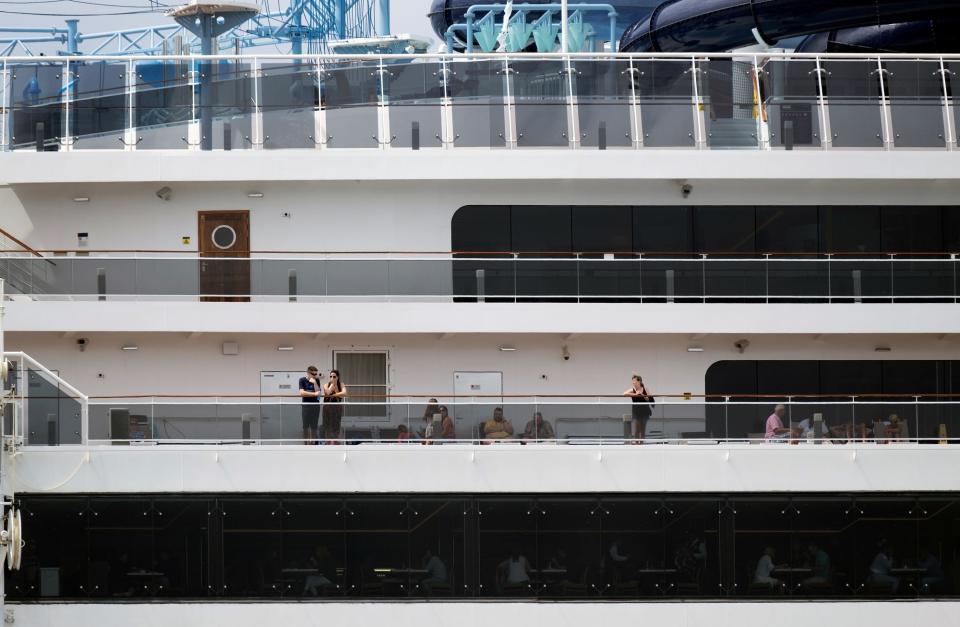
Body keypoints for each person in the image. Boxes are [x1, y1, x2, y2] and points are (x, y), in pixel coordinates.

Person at [623, 375, 654, 443]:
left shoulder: (645, 389)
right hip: (636, 412)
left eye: (634, 381)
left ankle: (642, 444)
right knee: (637, 429)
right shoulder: (632, 389)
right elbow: (624, 393)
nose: (633, 382)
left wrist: (641, 394)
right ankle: (637, 444)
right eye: (632, 381)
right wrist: (635, 394)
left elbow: (648, 399)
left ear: (639, 381)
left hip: (645, 412)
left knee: (643, 429)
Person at [322, 369, 347, 443]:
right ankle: (328, 441)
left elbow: (344, 393)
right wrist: (332, 385)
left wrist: (335, 392)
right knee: (327, 425)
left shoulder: (341, 384)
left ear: (338, 377)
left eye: (334, 376)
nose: (332, 378)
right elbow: (328, 392)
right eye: (330, 376)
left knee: (336, 424)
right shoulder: (326, 384)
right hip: (327, 407)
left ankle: (336, 441)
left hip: (337, 407)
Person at [298, 366, 322, 445]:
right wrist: (313, 394)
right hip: (306, 406)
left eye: (316, 374)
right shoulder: (302, 380)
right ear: (308, 373)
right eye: (313, 374)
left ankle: (312, 443)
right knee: (305, 426)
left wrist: (315, 382)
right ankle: (306, 443)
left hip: (315, 406)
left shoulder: (317, 380)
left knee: (314, 426)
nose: (315, 375)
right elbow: (302, 393)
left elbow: (318, 392)